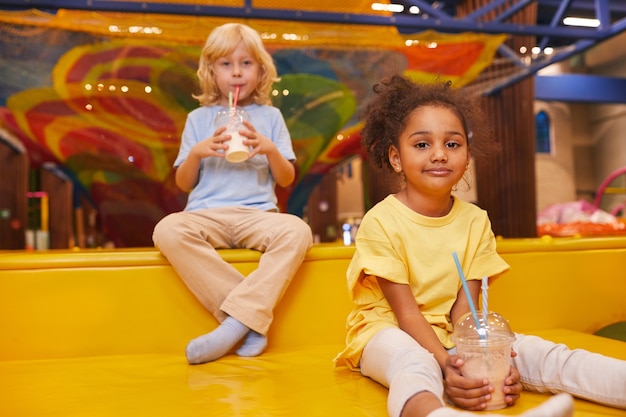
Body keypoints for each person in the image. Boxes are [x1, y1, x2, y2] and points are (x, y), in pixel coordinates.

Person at [334, 75, 626, 417]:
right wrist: (448, 364)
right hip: (387, 332)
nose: (440, 155)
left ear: (467, 156)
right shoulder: (381, 221)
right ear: (396, 158)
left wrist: (488, 360)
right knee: (412, 362)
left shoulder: (475, 221)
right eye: (422, 144)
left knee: (534, 352)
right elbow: (407, 314)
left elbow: (466, 311)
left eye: (453, 144)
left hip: (453, 332)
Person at [153, 23, 312, 365]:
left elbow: (286, 179)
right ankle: (248, 321)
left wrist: (270, 149)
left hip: (258, 215)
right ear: (211, 71)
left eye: (246, 63)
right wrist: (198, 152)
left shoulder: (270, 117)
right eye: (226, 64)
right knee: (167, 229)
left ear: (261, 70)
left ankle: (233, 324)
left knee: (298, 230)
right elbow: (183, 184)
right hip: (206, 214)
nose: (236, 72)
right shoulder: (198, 119)